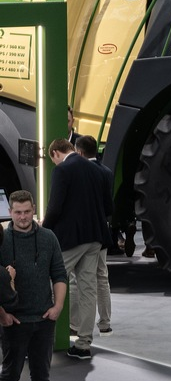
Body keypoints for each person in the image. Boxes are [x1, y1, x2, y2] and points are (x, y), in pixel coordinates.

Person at [41, 137, 111, 360]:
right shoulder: (97, 170)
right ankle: (83, 344)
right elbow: (107, 206)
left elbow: (55, 206)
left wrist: (44, 228)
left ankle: (39, 338)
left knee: (47, 279)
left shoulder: (62, 170)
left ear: (55, 154)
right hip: (95, 239)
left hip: (71, 239)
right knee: (88, 289)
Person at [0, 190, 67, 381]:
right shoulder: (1, 240)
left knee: (41, 375)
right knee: (10, 375)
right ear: (10, 211)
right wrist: (2, 314)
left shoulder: (49, 238)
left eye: (27, 211)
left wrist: (58, 307)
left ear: (34, 210)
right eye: (18, 212)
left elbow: (59, 274)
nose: (23, 217)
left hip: (44, 321)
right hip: (14, 322)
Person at [71, 135, 113, 337]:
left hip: (83, 234)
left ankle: (75, 323)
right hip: (102, 231)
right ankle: (105, 322)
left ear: (78, 152)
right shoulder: (106, 172)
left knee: (79, 279)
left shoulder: (79, 172)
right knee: (101, 276)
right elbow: (108, 206)